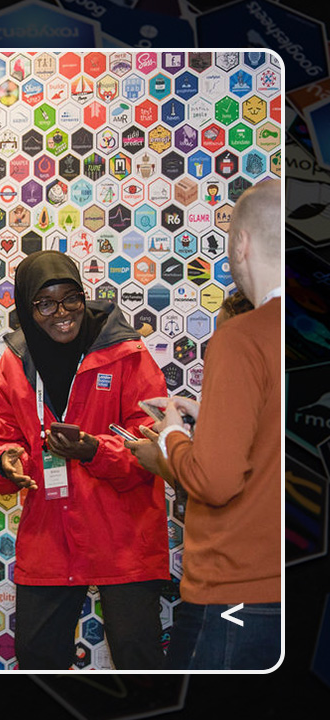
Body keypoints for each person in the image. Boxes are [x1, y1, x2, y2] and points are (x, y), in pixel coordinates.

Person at [0, 250, 169, 670]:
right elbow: (2, 438)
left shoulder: (126, 352)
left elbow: (155, 443)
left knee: (138, 660)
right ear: (27, 309)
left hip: (124, 531)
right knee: (37, 660)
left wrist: (94, 450)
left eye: (71, 299)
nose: (61, 313)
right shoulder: (15, 361)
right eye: (45, 304)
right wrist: (7, 464)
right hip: (50, 531)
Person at [125, 180, 282, 670]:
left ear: (241, 244)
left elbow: (215, 481)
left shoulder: (242, 337)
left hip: (236, 594)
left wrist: (171, 436)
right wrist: (209, 418)